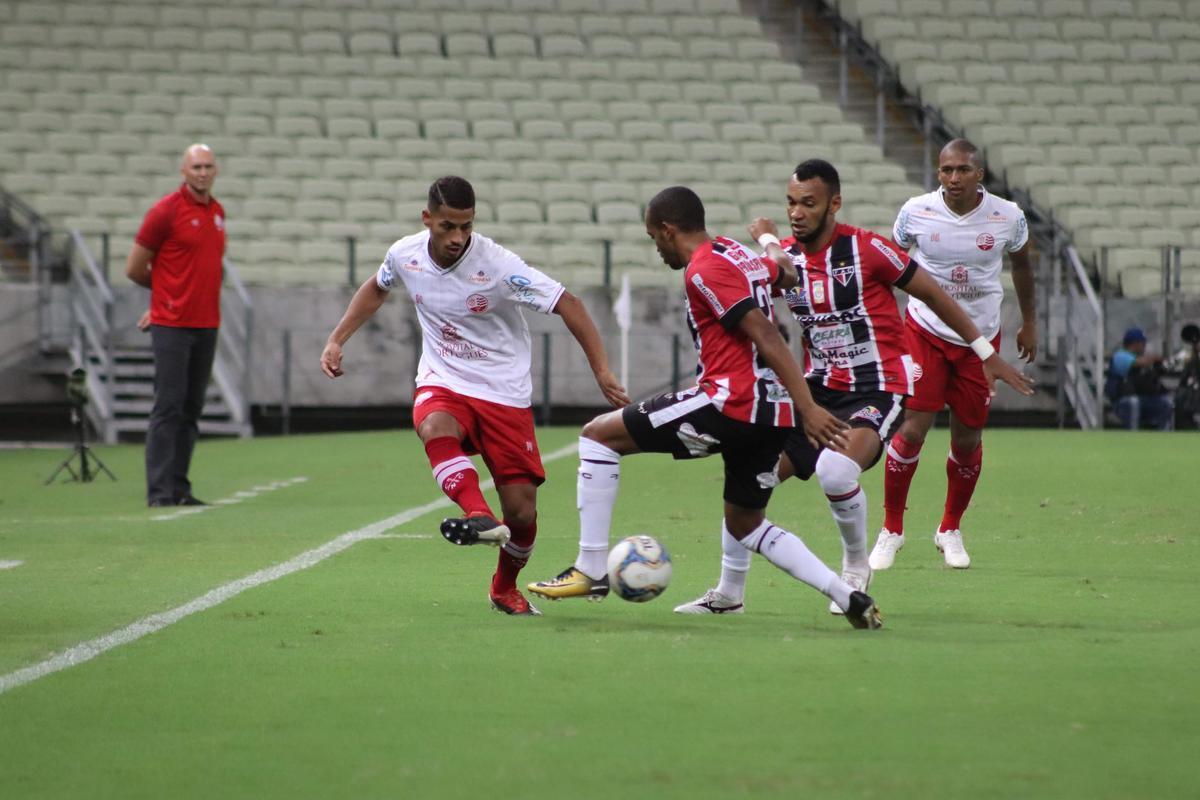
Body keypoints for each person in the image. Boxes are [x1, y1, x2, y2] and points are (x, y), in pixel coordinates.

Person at [670, 160, 1034, 616]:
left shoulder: (869, 249)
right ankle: (729, 594)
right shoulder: (786, 259)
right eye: (791, 203)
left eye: (808, 203)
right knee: (750, 480)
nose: (797, 213)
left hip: (876, 386)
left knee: (837, 473)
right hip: (817, 389)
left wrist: (985, 351)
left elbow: (935, 295)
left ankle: (855, 567)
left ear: (834, 205)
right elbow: (745, 291)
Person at [528, 185, 885, 629]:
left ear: (667, 229)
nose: (656, 249)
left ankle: (591, 568)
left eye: (653, 238)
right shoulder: (736, 252)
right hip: (770, 415)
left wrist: (809, 406)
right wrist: (770, 241)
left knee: (598, 436)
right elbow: (788, 274)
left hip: (729, 402)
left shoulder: (705, 269)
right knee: (746, 523)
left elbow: (767, 335)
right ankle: (847, 595)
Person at [320, 176, 627, 616]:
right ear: (427, 220)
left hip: (504, 394)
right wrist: (337, 339)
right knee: (434, 426)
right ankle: (479, 515)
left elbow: (568, 303)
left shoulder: (498, 266)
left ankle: (504, 587)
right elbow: (377, 287)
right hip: (444, 380)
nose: (458, 238)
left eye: (466, 226)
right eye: (448, 227)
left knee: (521, 516)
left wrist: (601, 370)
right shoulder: (405, 255)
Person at [873, 139, 1038, 571]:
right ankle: (891, 529)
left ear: (979, 174)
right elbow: (890, 266)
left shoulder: (1008, 216)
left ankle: (949, 528)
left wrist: (1030, 321)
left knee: (967, 438)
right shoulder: (915, 212)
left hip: (980, 341)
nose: (952, 179)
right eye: (946, 170)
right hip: (924, 331)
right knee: (914, 427)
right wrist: (886, 327)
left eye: (962, 170)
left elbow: (1022, 266)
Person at [125, 143, 225, 508]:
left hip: (206, 323)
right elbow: (134, 268)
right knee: (168, 406)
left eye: (208, 166)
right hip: (172, 323)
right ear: (183, 171)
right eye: (196, 166)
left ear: (215, 171)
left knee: (191, 407)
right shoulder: (164, 212)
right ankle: (160, 491)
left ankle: (180, 487)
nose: (202, 172)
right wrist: (163, 299)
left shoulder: (217, 212)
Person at [1106, 327, 1172, 430]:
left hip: (1142, 398)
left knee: (1165, 402)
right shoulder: (1120, 355)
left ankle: (1164, 437)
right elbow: (1142, 362)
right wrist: (1156, 358)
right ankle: (1132, 437)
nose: (1145, 346)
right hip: (1123, 400)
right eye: (1143, 343)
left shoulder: (1140, 356)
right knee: (1133, 402)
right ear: (1135, 343)